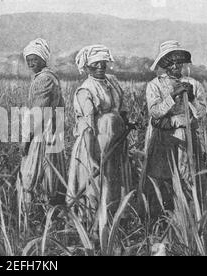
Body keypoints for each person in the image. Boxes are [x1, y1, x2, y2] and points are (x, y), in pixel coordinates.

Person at [66, 45, 131, 219]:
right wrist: (92, 157)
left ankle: (115, 217)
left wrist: (125, 121)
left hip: (116, 140)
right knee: (97, 182)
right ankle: (91, 221)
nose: (101, 66)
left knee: (115, 179)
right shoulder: (85, 90)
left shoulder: (112, 81)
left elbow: (121, 108)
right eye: (96, 64)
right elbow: (88, 127)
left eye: (103, 62)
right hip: (95, 142)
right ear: (87, 67)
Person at [144, 40, 206, 211]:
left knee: (188, 175)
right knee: (164, 175)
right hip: (164, 138)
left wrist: (192, 98)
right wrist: (173, 95)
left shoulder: (193, 84)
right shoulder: (155, 85)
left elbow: (201, 114)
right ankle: (164, 216)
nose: (176, 65)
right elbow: (155, 112)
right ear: (165, 64)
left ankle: (188, 215)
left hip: (188, 137)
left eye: (179, 61)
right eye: (172, 61)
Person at [16, 38, 67, 214]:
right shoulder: (49, 77)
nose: (31, 62)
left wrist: (26, 139)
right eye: (28, 59)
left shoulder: (43, 79)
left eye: (34, 59)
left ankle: (32, 217)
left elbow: (38, 113)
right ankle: (49, 215)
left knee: (33, 175)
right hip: (51, 132)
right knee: (50, 175)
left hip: (41, 134)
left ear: (43, 59)